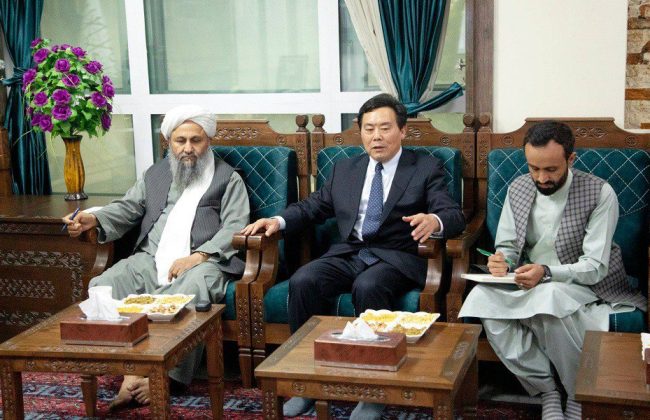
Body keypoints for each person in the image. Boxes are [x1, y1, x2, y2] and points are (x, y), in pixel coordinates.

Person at [242, 93, 465, 419]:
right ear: (360, 131)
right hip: (351, 252)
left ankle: (372, 390)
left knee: (368, 285)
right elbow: (314, 206)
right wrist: (278, 221)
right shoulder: (346, 168)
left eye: (385, 128)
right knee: (304, 280)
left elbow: (453, 214)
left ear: (402, 131)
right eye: (369, 129)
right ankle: (306, 383)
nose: (377, 136)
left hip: (396, 257)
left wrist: (435, 220)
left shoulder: (424, 167)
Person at [62, 105, 250, 410]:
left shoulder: (228, 179)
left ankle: (164, 377)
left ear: (208, 141)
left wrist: (199, 256)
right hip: (152, 257)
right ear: (169, 142)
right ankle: (130, 371)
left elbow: (235, 226)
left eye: (195, 140)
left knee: (193, 288)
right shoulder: (155, 174)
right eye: (180, 140)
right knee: (105, 284)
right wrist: (93, 219)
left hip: (205, 261)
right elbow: (128, 207)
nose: (187, 148)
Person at [459, 120, 646, 420]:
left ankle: (577, 394)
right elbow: (507, 246)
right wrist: (502, 260)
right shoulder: (518, 188)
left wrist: (546, 273)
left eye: (550, 169)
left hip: (583, 283)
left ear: (571, 159)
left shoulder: (600, 193)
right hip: (529, 280)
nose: (541, 178)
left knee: (550, 298)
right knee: (481, 298)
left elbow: (595, 266)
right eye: (534, 168)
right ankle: (546, 390)